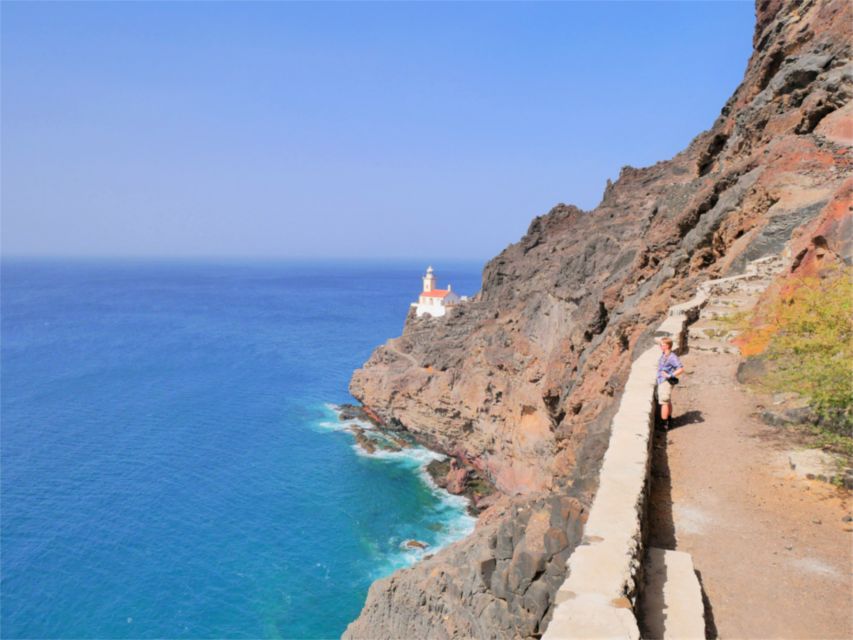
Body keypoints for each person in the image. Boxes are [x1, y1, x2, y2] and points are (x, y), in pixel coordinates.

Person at [656, 337, 684, 431]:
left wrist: (669, 375)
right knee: (667, 401)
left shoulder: (672, 357)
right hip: (662, 380)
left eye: (662, 345)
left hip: (665, 382)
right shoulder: (665, 354)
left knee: (664, 402)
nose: (660, 346)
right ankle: (669, 420)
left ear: (667, 346)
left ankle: (664, 424)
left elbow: (681, 369)